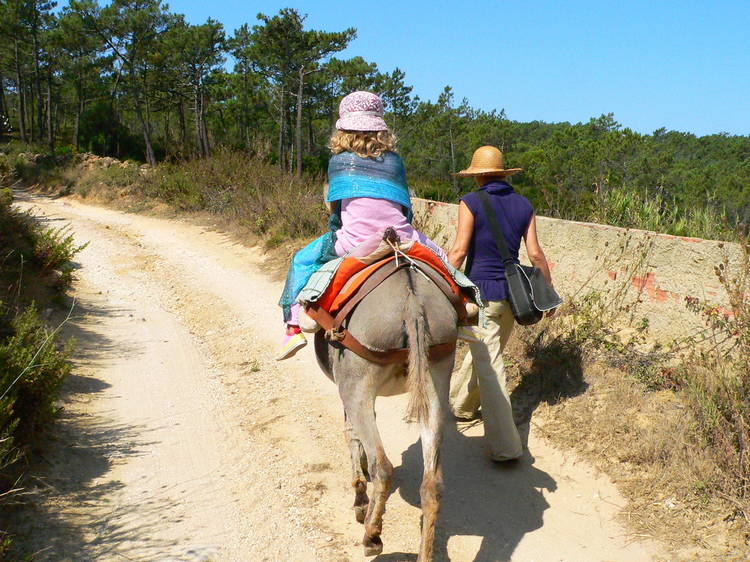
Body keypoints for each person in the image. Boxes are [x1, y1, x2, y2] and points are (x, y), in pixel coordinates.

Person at [277, 91, 449, 360]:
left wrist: (337, 234)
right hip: (400, 237)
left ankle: (294, 325)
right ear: (380, 129)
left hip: (355, 241)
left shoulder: (339, 162)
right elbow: (406, 208)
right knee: (442, 258)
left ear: (343, 129)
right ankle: (464, 308)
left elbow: (336, 217)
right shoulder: (395, 162)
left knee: (301, 260)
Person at [447, 145, 555, 462]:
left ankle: (506, 446)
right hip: (512, 297)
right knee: (486, 351)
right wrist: (547, 290)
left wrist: (444, 285)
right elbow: (535, 254)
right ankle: (463, 407)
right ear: (503, 173)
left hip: (480, 293)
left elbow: (458, 252)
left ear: (479, 175)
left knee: (489, 363)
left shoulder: (471, 202)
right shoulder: (524, 205)